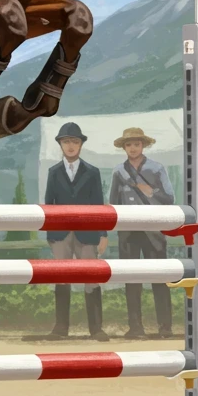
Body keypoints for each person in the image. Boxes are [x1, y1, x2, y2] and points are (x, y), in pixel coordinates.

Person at [42, 122, 109, 342]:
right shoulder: (53, 172)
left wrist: (103, 234)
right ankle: (61, 327)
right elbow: (49, 205)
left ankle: (96, 328)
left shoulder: (92, 172)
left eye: (75, 142)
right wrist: (51, 236)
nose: (70, 146)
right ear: (60, 144)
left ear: (81, 145)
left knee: (91, 278)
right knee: (62, 279)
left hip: (87, 233)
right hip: (60, 234)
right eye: (66, 141)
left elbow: (99, 205)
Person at [109, 127, 176, 340]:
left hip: (153, 229)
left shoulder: (157, 169)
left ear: (143, 145)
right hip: (128, 231)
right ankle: (135, 327)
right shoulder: (118, 172)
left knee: (159, 278)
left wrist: (151, 192)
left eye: (136, 144)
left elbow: (170, 197)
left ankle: (165, 327)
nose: (132, 148)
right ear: (124, 147)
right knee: (132, 280)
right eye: (129, 145)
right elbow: (113, 202)